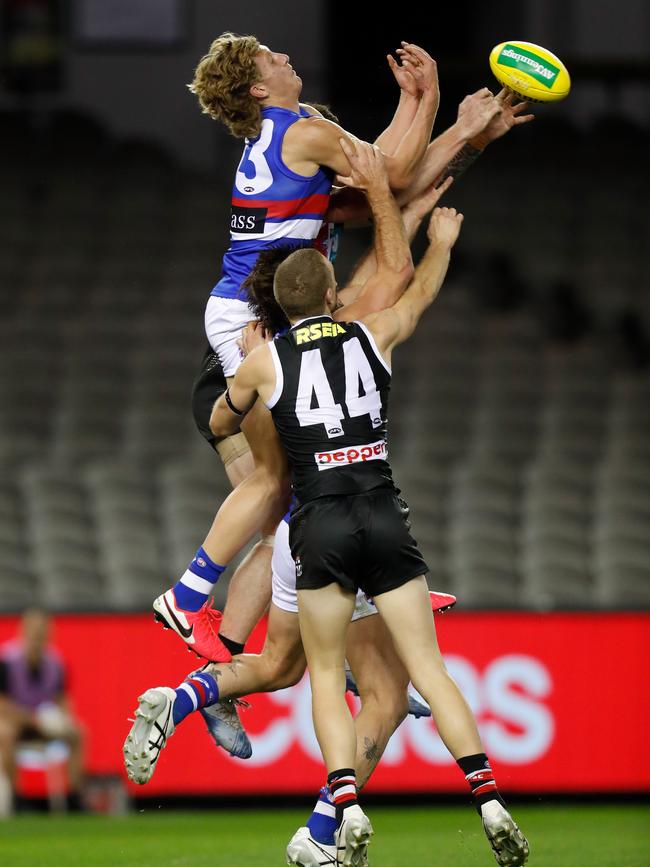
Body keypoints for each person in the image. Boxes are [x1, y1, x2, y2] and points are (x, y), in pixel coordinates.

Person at [152, 33, 500, 663]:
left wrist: (425, 108)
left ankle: (359, 597)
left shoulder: (299, 132)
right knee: (283, 479)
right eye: (272, 60)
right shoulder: (300, 133)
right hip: (248, 322)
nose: (287, 58)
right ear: (259, 88)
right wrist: (430, 97)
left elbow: (384, 185)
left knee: (307, 488)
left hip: (256, 316)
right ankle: (188, 595)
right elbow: (388, 175)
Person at [204, 207, 529, 865]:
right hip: (383, 511)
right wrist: (440, 244)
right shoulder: (370, 333)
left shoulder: (265, 360)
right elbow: (418, 296)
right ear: (331, 294)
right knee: (430, 671)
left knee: (325, 675)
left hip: (320, 524)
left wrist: (239, 394)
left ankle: (344, 807)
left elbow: (218, 419)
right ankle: (489, 796)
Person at [0, 609, 84, 814]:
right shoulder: (7, 661)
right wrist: (31, 719)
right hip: (16, 721)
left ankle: (74, 797)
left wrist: (65, 718)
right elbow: (2, 703)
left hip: (44, 723)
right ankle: (17, 799)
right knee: (6, 733)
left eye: (42, 631)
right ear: (24, 631)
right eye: (34, 631)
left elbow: (62, 698)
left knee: (78, 733)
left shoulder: (55, 663)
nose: (38, 636)